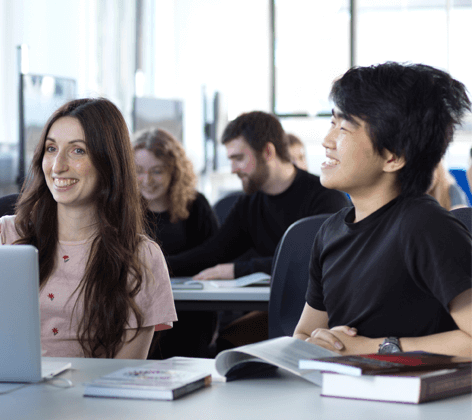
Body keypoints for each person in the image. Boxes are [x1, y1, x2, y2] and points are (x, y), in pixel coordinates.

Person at [294, 62, 472, 357]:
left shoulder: (425, 226)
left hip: (409, 398)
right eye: (331, 122)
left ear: (393, 157)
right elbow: (303, 333)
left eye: (344, 127)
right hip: (344, 391)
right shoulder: (331, 231)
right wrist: (315, 345)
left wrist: (374, 348)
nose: (327, 141)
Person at [0, 98, 177, 359]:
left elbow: (123, 375)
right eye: (51, 149)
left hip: (87, 398)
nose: (58, 165)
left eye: (78, 151)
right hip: (6, 394)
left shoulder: (141, 256)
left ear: (108, 162)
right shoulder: (3, 237)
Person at [166, 111, 350, 281]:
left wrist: (238, 270)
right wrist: (152, 267)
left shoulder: (325, 196)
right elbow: (212, 253)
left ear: (268, 152)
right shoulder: (249, 204)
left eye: (239, 158)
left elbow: (313, 260)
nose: (233, 169)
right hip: (268, 310)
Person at [132, 127, 218, 358]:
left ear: (174, 171)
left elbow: (211, 254)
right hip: (139, 311)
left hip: (190, 313)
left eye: (157, 171)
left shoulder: (196, 205)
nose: (147, 180)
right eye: (138, 171)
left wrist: (157, 268)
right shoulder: (122, 210)